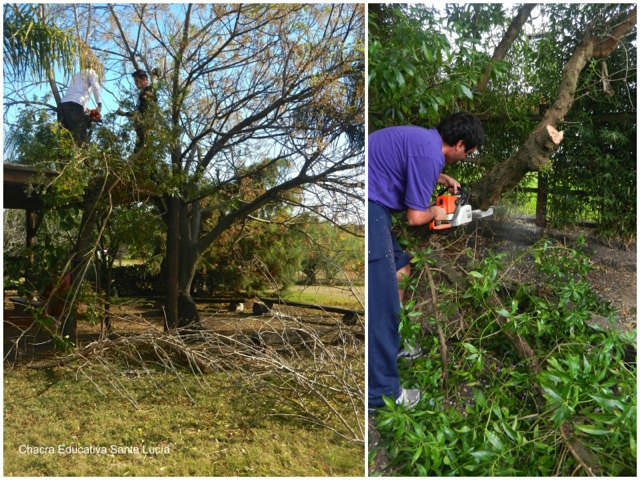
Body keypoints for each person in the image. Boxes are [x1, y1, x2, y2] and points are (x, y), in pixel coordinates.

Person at [367, 111, 484, 411]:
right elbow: (415, 217)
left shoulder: (425, 143)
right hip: (369, 207)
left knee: (400, 268)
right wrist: (436, 211)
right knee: (381, 301)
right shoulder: (429, 154)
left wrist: (440, 177)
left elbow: (412, 163)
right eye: (467, 153)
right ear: (459, 145)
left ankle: (392, 345)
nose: (465, 157)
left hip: (373, 205)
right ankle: (381, 394)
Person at [58, 65, 103, 146]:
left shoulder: (77, 74)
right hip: (74, 106)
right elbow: (96, 88)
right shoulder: (92, 72)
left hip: (62, 106)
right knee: (81, 140)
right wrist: (99, 105)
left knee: (64, 141)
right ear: (95, 67)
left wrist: (85, 109)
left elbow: (74, 93)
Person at [116, 69, 157, 153]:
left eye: (136, 80)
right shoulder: (142, 94)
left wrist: (151, 95)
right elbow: (138, 112)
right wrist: (124, 113)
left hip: (145, 128)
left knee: (141, 153)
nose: (135, 83)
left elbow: (154, 98)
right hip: (140, 129)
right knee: (138, 152)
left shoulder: (148, 90)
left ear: (144, 80)